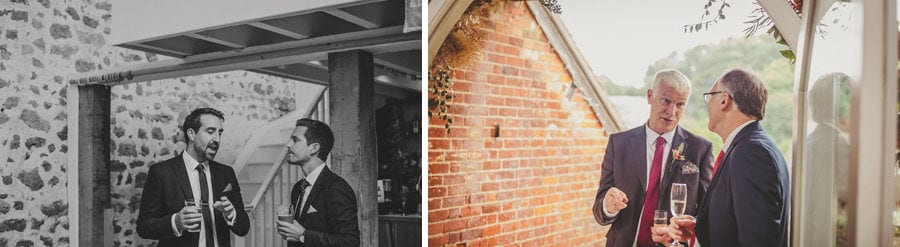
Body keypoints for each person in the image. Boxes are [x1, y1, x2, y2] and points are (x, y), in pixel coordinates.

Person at [669, 69, 790, 247]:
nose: (707, 104)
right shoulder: (749, 147)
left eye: (709, 97)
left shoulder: (751, 153)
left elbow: (757, 240)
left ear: (724, 100)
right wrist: (702, 228)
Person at [592, 69, 713, 247]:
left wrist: (681, 232)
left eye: (680, 104)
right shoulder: (618, 144)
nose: (672, 111)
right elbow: (600, 211)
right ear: (650, 96)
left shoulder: (700, 149)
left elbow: (706, 213)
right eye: (666, 101)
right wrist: (608, 207)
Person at [136, 107, 250, 247]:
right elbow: (143, 227)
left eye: (220, 133)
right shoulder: (161, 173)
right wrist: (175, 221)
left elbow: (244, 227)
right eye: (210, 132)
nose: (217, 139)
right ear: (191, 134)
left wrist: (231, 214)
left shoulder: (226, 173)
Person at [276, 118, 361, 246]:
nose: (288, 144)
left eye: (295, 140)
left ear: (314, 148)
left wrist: (303, 235)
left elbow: (351, 242)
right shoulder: (298, 188)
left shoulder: (336, 188)